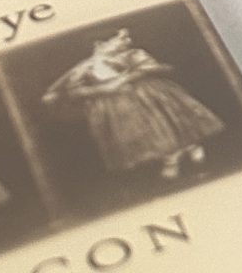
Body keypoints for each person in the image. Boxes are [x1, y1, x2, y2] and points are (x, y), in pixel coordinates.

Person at [41, 31, 225, 184]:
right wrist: (102, 89)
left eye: (127, 37)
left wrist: (131, 75)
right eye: (121, 38)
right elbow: (74, 90)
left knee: (165, 126)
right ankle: (175, 159)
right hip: (117, 110)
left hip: (148, 98)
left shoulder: (132, 54)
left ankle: (185, 156)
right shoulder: (84, 68)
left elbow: (154, 67)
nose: (127, 41)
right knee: (145, 136)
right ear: (100, 44)